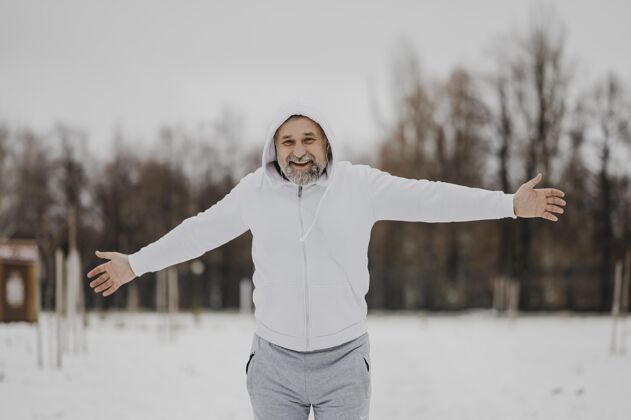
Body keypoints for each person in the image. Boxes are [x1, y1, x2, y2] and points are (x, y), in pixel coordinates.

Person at [86, 102, 566, 420]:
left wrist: (508, 203)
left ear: (326, 143)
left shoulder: (359, 186)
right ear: (274, 148)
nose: (298, 151)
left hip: (343, 363)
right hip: (273, 363)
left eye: (308, 139)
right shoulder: (254, 193)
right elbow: (200, 231)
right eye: (288, 141)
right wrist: (136, 263)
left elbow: (431, 200)